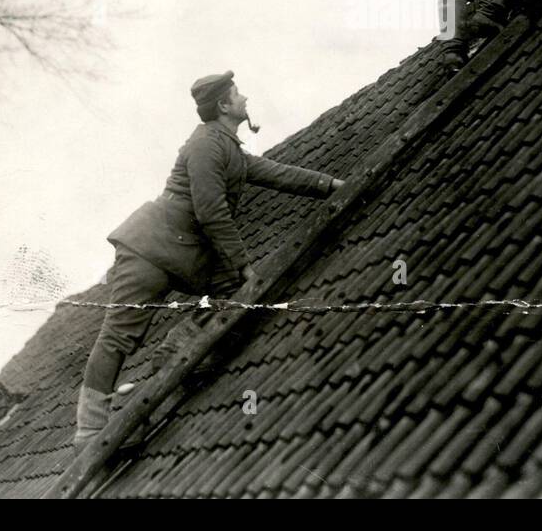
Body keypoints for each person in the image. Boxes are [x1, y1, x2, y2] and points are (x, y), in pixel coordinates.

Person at [74, 71, 344, 445]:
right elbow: (211, 212)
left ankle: (174, 351)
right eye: (238, 94)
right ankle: (89, 433)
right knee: (119, 336)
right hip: (148, 249)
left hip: (184, 253)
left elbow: (272, 172)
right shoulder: (204, 146)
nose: (246, 98)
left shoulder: (226, 146)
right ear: (223, 105)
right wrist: (243, 264)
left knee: (241, 298)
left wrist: (326, 185)